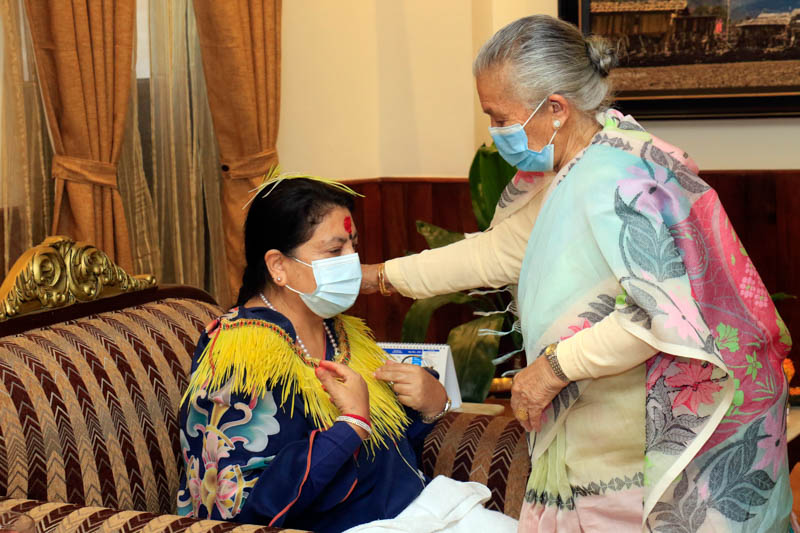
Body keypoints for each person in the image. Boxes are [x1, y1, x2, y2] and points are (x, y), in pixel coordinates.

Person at [362, 15, 792, 532]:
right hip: (599, 428)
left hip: (640, 436)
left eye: (500, 117)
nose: (496, 132)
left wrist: (551, 369)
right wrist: (375, 277)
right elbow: (498, 253)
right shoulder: (573, 163)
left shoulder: (618, 175)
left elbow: (660, 312)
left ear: (557, 109)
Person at [177, 173, 518, 533]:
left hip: (411, 511)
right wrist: (351, 423)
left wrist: (431, 406)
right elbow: (247, 508)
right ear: (278, 266)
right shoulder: (240, 354)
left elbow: (385, 455)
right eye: (335, 250)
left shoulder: (339, 329)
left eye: (353, 246)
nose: (352, 262)